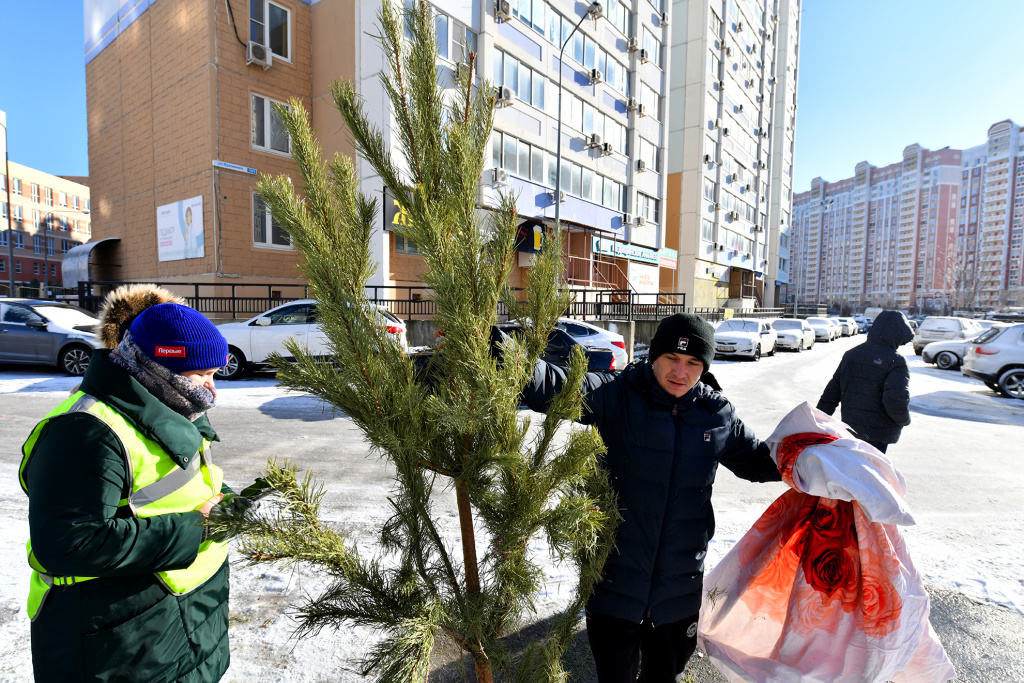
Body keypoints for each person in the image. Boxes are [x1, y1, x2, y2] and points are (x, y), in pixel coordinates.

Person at [521, 313, 781, 683]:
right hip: (615, 586)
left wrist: (820, 457)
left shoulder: (715, 415)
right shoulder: (618, 394)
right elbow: (557, 387)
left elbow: (760, 460)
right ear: (654, 355)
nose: (681, 372)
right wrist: (502, 352)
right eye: (672, 358)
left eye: (693, 363)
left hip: (680, 589)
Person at [19, 284, 241, 682]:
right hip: (118, 641)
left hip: (178, 624)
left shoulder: (173, 408)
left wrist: (227, 503)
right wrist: (198, 527)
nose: (210, 387)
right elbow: (70, 543)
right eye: (200, 373)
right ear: (158, 366)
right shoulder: (84, 432)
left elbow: (181, 486)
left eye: (214, 373)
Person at [816, 309, 914, 453]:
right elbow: (895, 400)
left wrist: (818, 419)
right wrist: (904, 420)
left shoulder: (852, 354)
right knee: (872, 471)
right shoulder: (896, 361)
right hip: (879, 433)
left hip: (850, 429)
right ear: (897, 335)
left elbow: (831, 393)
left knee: (853, 469)